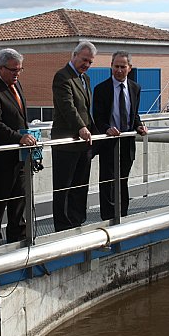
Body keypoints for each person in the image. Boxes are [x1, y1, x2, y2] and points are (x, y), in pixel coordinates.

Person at [0, 48, 36, 247]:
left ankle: (17, 233)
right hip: (3, 156)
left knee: (20, 196)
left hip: (21, 156)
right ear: (0, 68)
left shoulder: (16, 85)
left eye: (20, 70)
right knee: (0, 198)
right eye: (13, 70)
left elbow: (21, 117)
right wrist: (18, 138)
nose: (17, 74)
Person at [93, 51, 148, 220]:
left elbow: (134, 114)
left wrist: (139, 126)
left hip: (127, 141)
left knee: (123, 180)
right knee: (107, 181)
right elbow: (97, 117)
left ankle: (123, 215)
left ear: (129, 68)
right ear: (111, 66)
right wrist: (107, 129)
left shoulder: (135, 88)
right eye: (115, 66)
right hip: (109, 141)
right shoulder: (101, 89)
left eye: (122, 67)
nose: (118, 70)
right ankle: (108, 218)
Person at [51, 41, 97, 232]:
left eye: (90, 62)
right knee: (64, 186)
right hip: (66, 144)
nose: (86, 64)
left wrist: (93, 131)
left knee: (80, 185)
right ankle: (63, 226)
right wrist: (81, 128)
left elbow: (86, 109)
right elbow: (68, 107)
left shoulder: (84, 79)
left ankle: (77, 221)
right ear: (74, 55)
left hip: (83, 144)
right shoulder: (62, 77)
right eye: (84, 60)